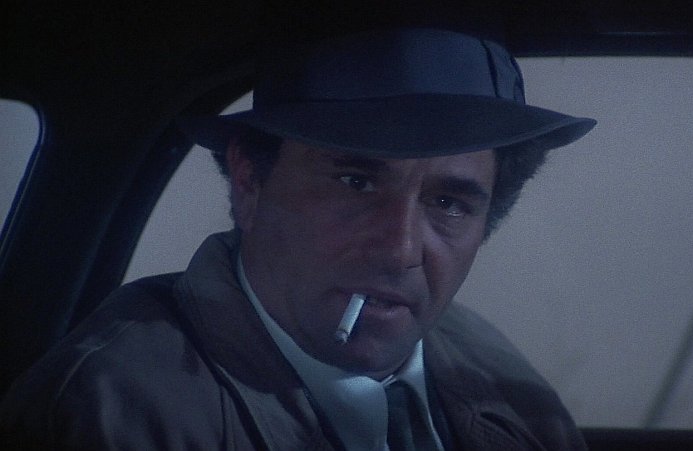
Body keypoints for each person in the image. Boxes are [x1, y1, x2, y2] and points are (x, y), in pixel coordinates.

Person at [0, 27, 595, 450]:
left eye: (447, 203)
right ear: (249, 183)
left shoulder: (493, 371)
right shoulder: (109, 413)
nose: (399, 250)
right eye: (356, 182)